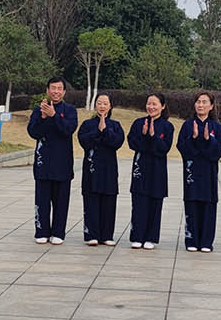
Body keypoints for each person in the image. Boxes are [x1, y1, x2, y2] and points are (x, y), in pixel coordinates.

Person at [27, 76, 77, 244]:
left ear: (64, 91)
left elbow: (68, 130)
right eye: (53, 88)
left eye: (59, 88)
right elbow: (33, 132)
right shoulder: (38, 110)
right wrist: (43, 118)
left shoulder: (70, 110)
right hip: (43, 164)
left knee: (61, 202)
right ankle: (41, 231)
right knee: (42, 200)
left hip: (62, 164)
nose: (56, 91)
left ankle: (58, 233)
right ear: (47, 90)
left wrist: (54, 115)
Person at [177, 92, 221, 253]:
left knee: (208, 204)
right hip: (192, 171)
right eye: (198, 102)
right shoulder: (187, 125)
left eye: (204, 102)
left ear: (211, 106)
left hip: (209, 172)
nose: (201, 105)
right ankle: (191, 239)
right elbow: (182, 148)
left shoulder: (216, 127)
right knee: (192, 203)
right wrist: (193, 138)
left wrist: (208, 140)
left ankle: (206, 241)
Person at [126, 93, 173, 250]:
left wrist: (153, 136)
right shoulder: (139, 123)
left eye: (155, 104)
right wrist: (144, 135)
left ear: (163, 106)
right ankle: (137, 236)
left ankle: (151, 238)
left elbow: (163, 148)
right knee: (139, 203)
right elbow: (132, 143)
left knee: (155, 203)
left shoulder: (167, 126)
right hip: (141, 167)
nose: (151, 107)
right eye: (149, 104)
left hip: (157, 170)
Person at [77, 92, 124, 246]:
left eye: (105, 103)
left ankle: (107, 235)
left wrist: (106, 130)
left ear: (110, 106)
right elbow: (84, 142)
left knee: (109, 202)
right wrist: (98, 130)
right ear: (95, 105)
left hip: (109, 170)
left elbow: (117, 143)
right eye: (99, 103)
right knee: (91, 201)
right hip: (91, 169)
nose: (102, 106)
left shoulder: (115, 125)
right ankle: (92, 234)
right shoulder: (86, 125)